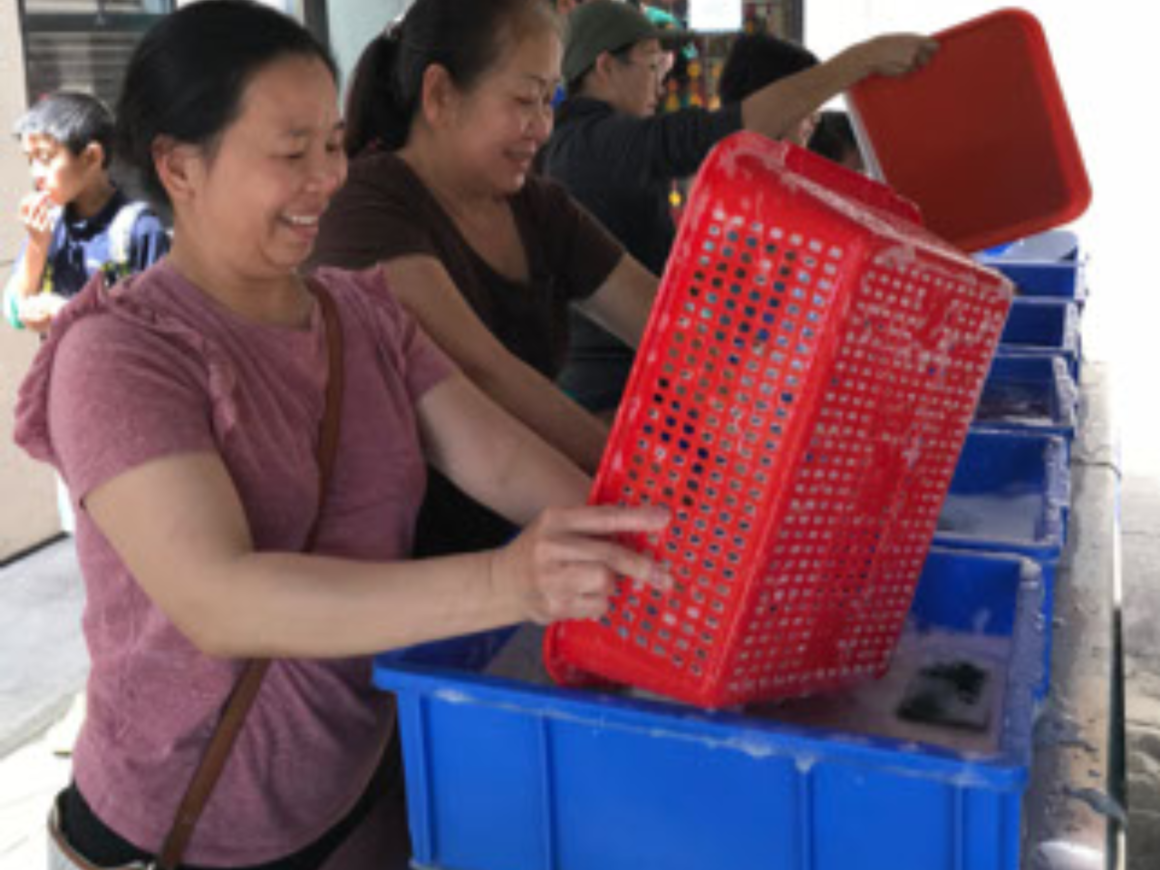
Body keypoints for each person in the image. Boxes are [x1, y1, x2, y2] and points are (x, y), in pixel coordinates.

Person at [14, 3, 667, 868]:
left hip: (358, 793)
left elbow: (503, 458)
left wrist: (653, 543)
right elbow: (220, 600)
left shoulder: (364, 316)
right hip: (187, 823)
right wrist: (510, 582)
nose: (327, 176)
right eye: (292, 153)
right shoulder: (122, 354)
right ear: (179, 165)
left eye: (331, 143)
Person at [311, 0, 660, 559]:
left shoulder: (538, 207)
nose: (542, 128)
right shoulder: (366, 206)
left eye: (549, 100)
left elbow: (667, 327)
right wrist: (630, 475)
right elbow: (482, 372)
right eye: (524, 100)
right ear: (440, 94)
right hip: (409, 568)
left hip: (522, 534)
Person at [538, 1, 937, 411]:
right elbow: (725, 130)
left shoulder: (582, 148)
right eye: (653, 65)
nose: (662, 82)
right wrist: (862, 60)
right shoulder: (595, 144)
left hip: (642, 382)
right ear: (605, 67)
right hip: (616, 396)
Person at [3, 90, 169, 334]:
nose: (36, 173)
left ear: (91, 157)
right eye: (30, 160)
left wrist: (68, 312)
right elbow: (14, 314)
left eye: (46, 158)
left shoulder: (139, 230)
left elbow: (162, 328)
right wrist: (37, 246)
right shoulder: (50, 225)